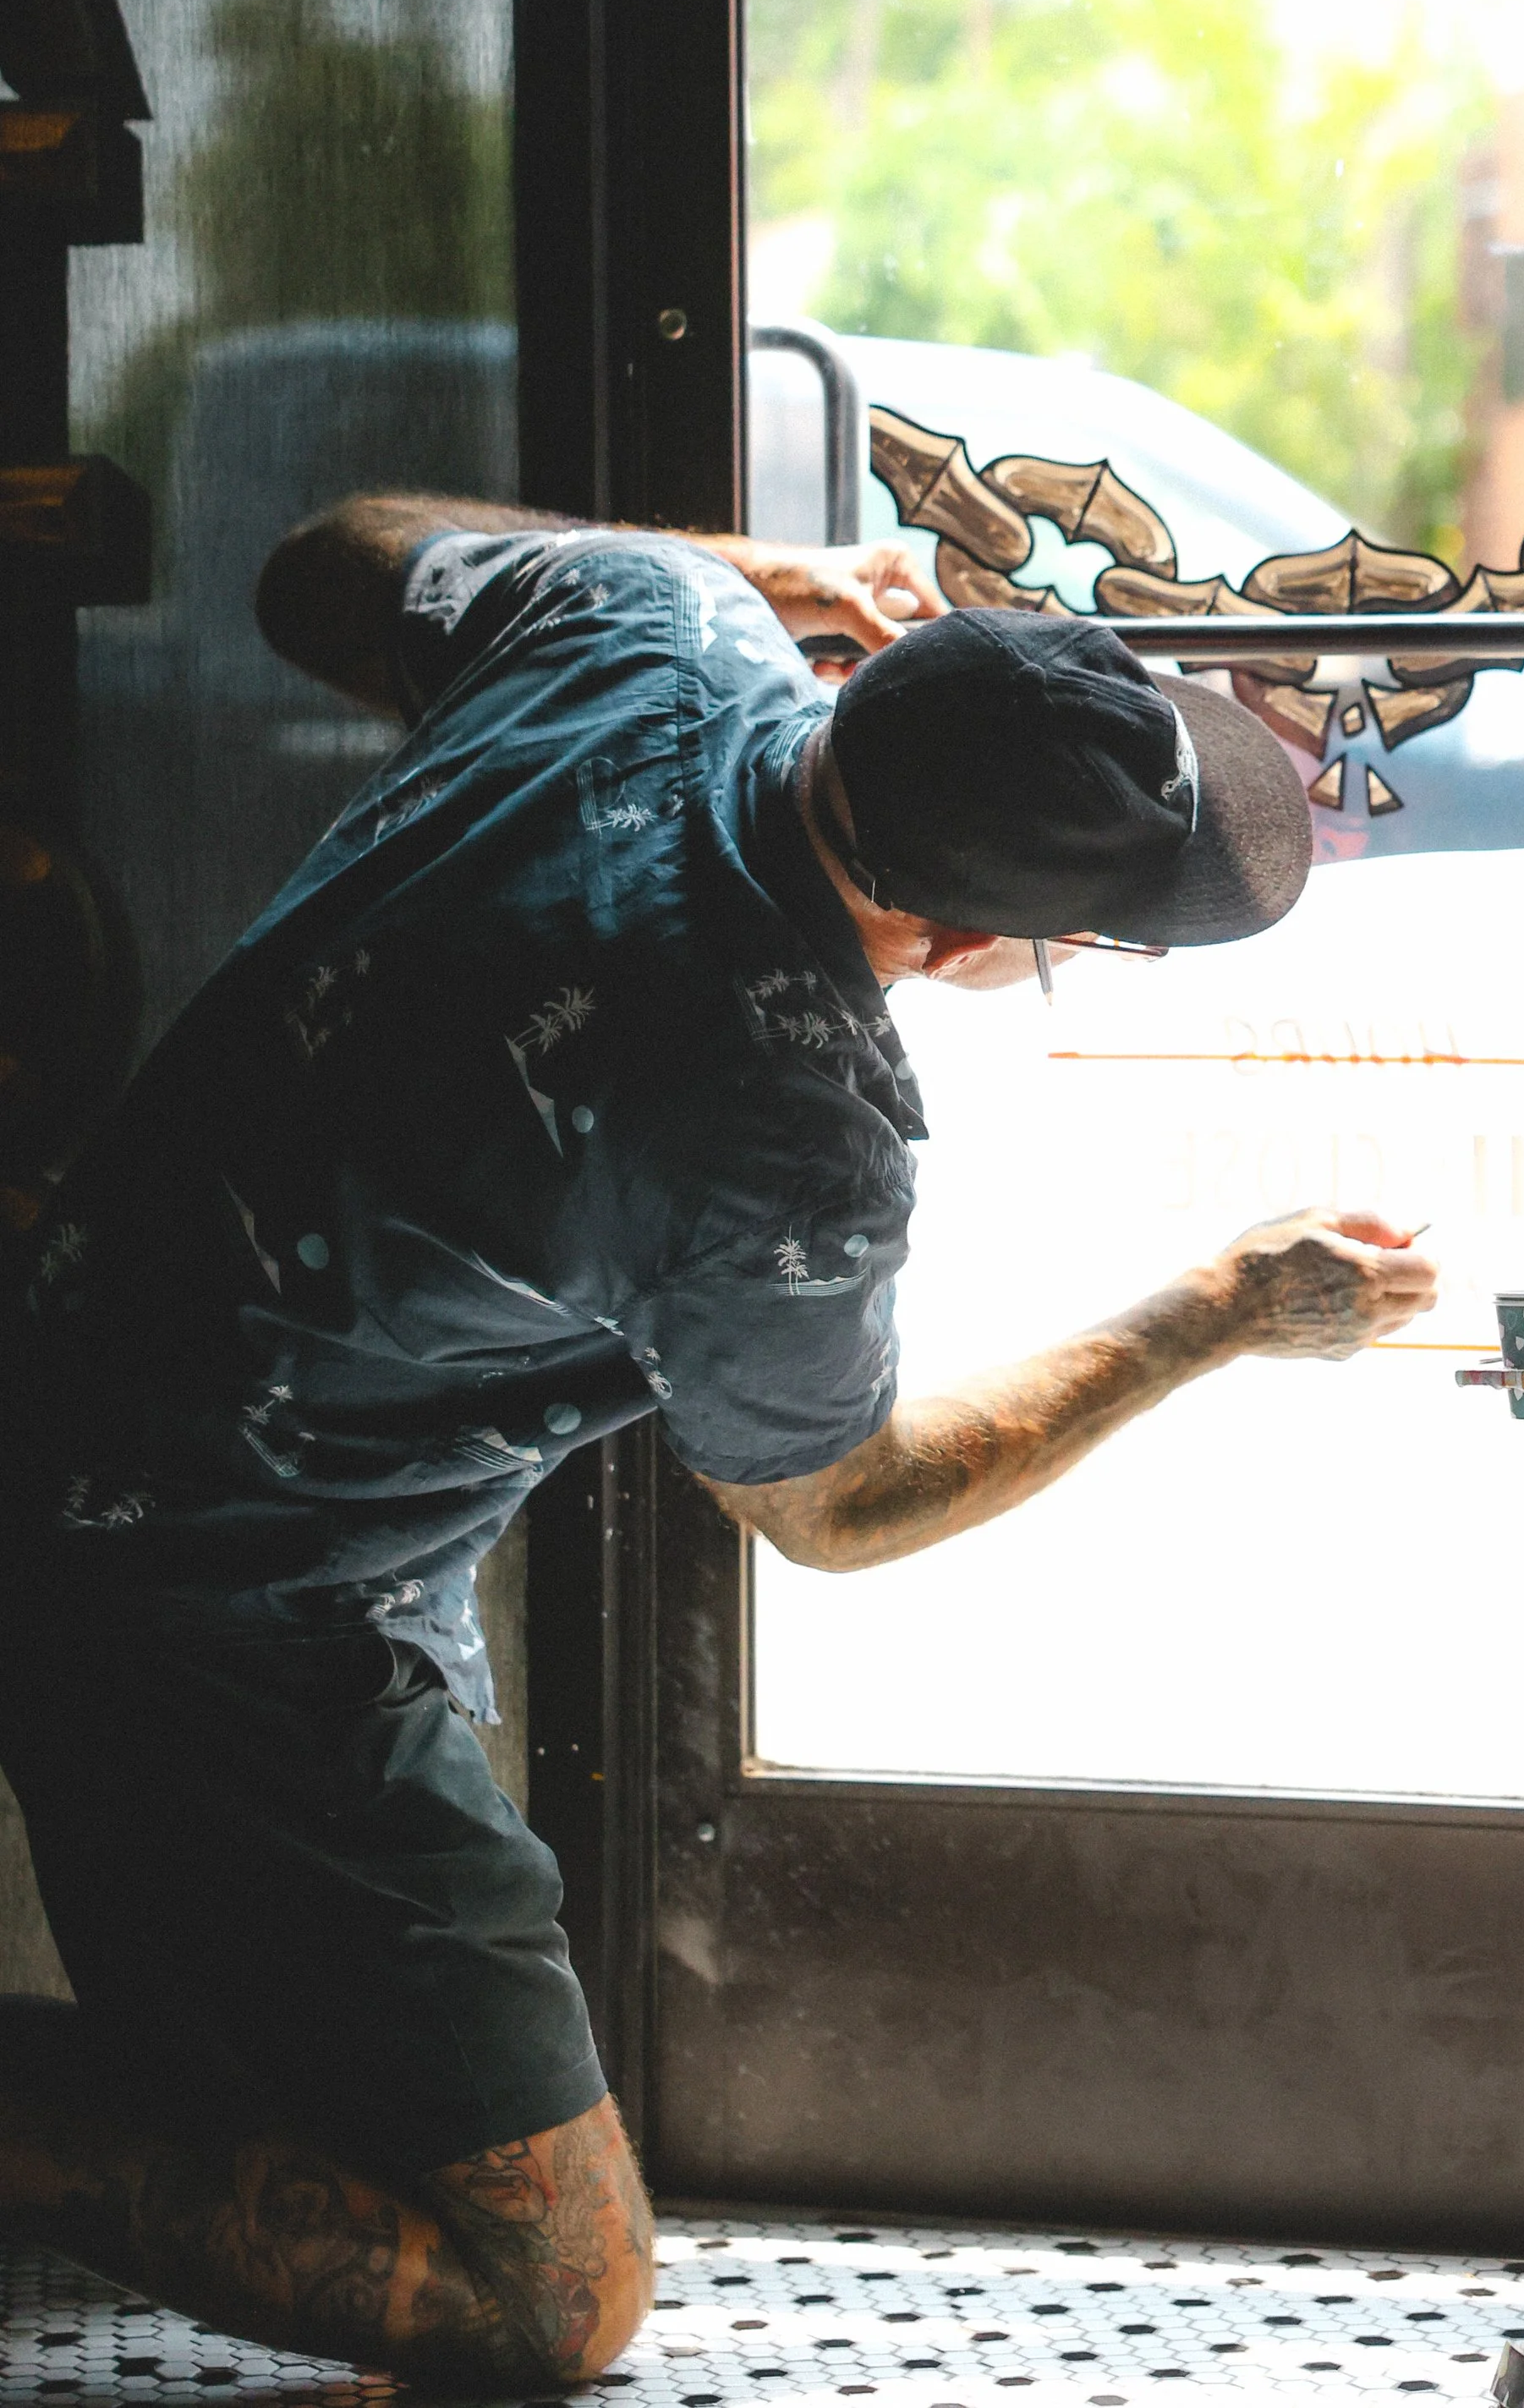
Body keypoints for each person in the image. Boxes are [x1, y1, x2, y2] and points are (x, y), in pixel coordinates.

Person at [0, 494, 1437, 2395]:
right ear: (947, 930)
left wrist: (762, 576)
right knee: (535, 2299)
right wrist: (1218, 1310)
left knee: (326, 2100)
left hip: (79, 1358)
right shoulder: (778, 1119)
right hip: (233, 1590)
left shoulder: (650, 624)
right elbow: (839, 1505)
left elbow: (317, 563)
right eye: (1101, 942)